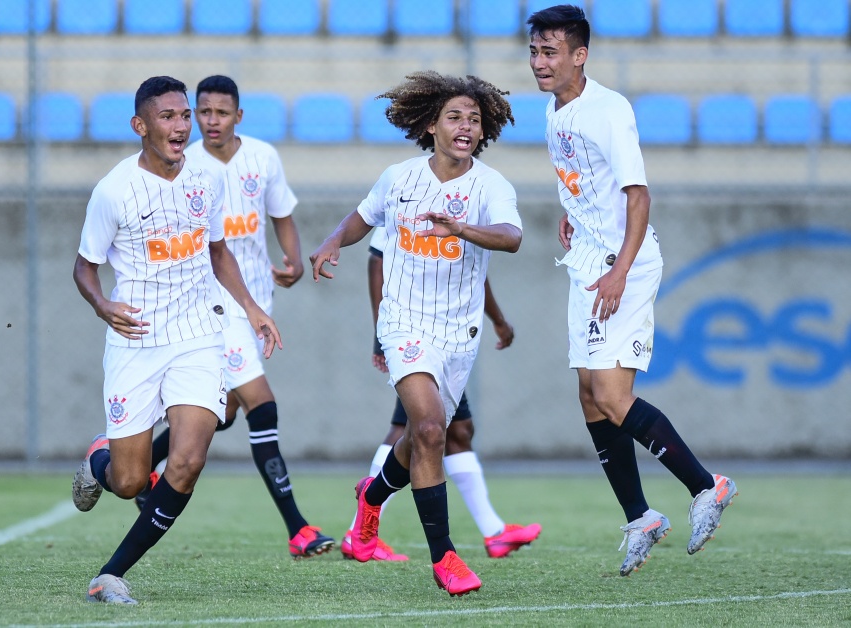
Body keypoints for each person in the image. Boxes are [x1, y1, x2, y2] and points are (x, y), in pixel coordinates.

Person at [527, 5, 737, 577]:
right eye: (535, 51)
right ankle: (642, 516)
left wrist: (619, 269)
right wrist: (569, 214)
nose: (540, 63)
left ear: (580, 54)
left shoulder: (609, 110)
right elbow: (580, 177)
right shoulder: (554, 110)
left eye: (551, 52)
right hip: (587, 259)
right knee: (589, 397)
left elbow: (638, 196)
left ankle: (707, 485)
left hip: (626, 264)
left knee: (612, 395)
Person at [310, 71, 522, 596]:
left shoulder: (491, 186)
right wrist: (334, 241)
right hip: (404, 321)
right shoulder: (399, 178)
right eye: (455, 117)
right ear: (431, 125)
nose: (466, 126)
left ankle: (372, 497)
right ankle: (446, 557)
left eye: (474, 119)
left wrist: (461, 229)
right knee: (429, 429)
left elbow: (511, 238)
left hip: (458, 334)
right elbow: (362, 218)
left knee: (420, 438)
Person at [71, 76, 281, 605]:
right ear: (140, 125)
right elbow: (84, 268)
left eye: (184, 116)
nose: (181, 126)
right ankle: (99, 461)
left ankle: (110, 575)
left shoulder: (205, 181)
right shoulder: (113, 190)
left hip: (197, 335)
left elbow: (218, 252)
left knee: (188, 459)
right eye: (168, 117)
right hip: (137, 340)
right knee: (129, 481)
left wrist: (252, 309)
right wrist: (102, 306)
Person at [136, 75, 334, 559]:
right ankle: (298, 528)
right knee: (261, 406)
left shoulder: (262, 158)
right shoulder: (184, 165)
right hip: (212, 302)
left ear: (238, 116)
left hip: (255, 298)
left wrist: (292, 259)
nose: (210, 121)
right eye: (202, 112)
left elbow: (281, 215)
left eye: (220, 113)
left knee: (221, 413)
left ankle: (139, 468)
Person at [339, 227, 540, 561]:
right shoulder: (409, 189)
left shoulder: (473, 202)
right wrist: (380, 336)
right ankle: (357, 530)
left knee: (457, 431)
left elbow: (475, 274)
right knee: (417, 430)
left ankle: (494, 531)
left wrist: (497, 319)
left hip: (452, 341)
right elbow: (378, 259)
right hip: (415, 337)